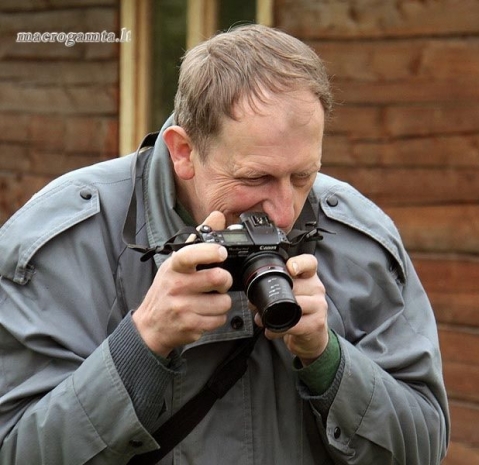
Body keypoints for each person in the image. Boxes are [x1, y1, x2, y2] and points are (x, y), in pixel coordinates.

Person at [0, 24, 449, 464]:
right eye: (255, 178)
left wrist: (327, 358)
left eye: (303, 177)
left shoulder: (358, 237)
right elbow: (17, 450)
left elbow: (424, 447)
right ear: (183, 151)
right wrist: (143, 343)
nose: (283, 212)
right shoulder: (63, 241)